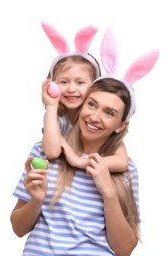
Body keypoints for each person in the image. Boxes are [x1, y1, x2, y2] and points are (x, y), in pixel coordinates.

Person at [10, 28, 159, 256]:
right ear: (82, 102)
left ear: (121, 125)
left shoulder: (122, 169)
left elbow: (124, 251)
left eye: (109, 113)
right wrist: (36, 201)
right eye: (92, 105)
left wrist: (108, 192)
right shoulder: (47, 149)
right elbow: (18, 229)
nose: (94, 117)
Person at [40, 22, 130, 172]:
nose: (71, 89)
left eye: (80, 82)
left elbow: (122, 162)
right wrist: (51, 105)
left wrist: (82, 162)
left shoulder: (97, 120)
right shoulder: (56, 118)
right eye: (63, 82)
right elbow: (52, 152)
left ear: (94, 86)